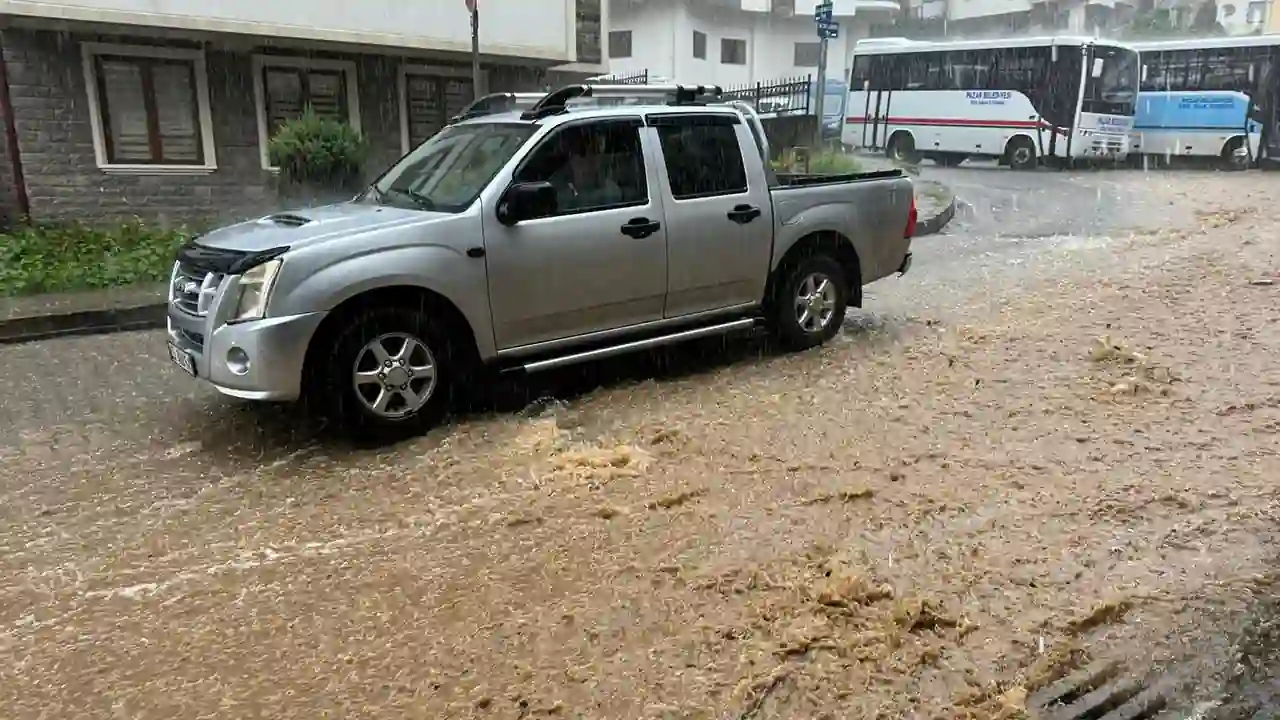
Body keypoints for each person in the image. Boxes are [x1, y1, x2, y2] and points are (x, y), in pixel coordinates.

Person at [546, 128, 624, 211]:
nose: (591, 163)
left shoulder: (610, 192)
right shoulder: (558, 185)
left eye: (596, 154)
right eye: (579, 158)